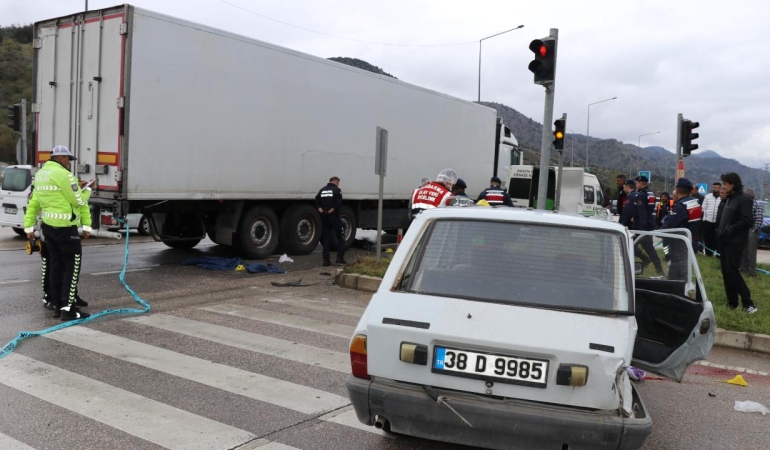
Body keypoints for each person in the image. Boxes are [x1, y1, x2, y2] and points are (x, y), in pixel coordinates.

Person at [23, 145, 92, 321]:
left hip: (48, 228)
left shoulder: (41, 174)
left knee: (55, 266)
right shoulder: (64, 175)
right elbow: (77, 201)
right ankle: (68, 310)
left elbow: (34, 202)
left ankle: (57, 305)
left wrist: (28, 227)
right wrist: (87, 190)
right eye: (68, 159)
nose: (69, 163)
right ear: (60, 158)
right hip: (65, 228)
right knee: (72, 266)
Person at [37, 178, 92, 311]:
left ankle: (66, 299)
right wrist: (88, 189)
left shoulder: (65, 188)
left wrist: (86, 225)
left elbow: (81, 206)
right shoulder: (46, 189)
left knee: (66, 267)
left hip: (56, 229)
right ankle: (52, 298)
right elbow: (33, 205)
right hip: (51, 229)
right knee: (55, 265)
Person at [716, 172, 757, 313]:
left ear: (733, 184)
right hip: (724, 241)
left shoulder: (744, 199)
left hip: (735, 241)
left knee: (732, 271)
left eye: (725, 184)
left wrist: (729, 230)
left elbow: (747, 221)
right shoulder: (728, 199)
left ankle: (748, 303)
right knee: (726, 272)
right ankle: (732, 303)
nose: (723, 186)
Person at [660, 179, 702, 280]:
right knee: (685, 274)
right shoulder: (696, 204)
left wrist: (658, 231)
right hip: (693, 243)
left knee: (677, 278)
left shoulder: (680, 207)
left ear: (677, 191)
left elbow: (668, 226)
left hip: (680, 247)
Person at [634, 175, 664, 275]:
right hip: (649, 224)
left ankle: (646, 260)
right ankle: (658, 269)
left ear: (641, 183)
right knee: (649, 248)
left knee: (633, 246)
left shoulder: (642, 195)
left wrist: (641, 229)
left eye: (637, 183)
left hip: (642, 226)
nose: (636, 185)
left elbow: (642, 212)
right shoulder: (650, 193)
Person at [315, 176, 346, 266]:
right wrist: (330, 211)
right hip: (333, 216)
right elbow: (338, 203)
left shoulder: (322, 190)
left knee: (326, 238)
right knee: (341, 236)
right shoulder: (337, 190)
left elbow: (317, 202)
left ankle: (326, 260)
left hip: (324, 216)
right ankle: (340, 257)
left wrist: (322, 211)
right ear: (336, 182)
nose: (338, 184)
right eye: (338, 183)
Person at [740, 189, 763, 277]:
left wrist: (753, 230)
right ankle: (743, 268)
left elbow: (759, 219)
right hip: (743, 230)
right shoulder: (743, 205)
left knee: (751, 252)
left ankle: (752, 272)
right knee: (743, 251)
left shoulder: (757, 204)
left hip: (752, 230)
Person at [701, 182, 722, 257]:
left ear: (720, 188)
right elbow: (703, 208)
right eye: (713, 187)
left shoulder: (722, 198)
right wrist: (704, 219)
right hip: (708, 222)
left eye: (716, 188)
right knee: (707, 239)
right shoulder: (707, 197)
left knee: (717, 240)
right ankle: (708, 254)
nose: (714, 189)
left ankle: (718, 255)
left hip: (718, 223)